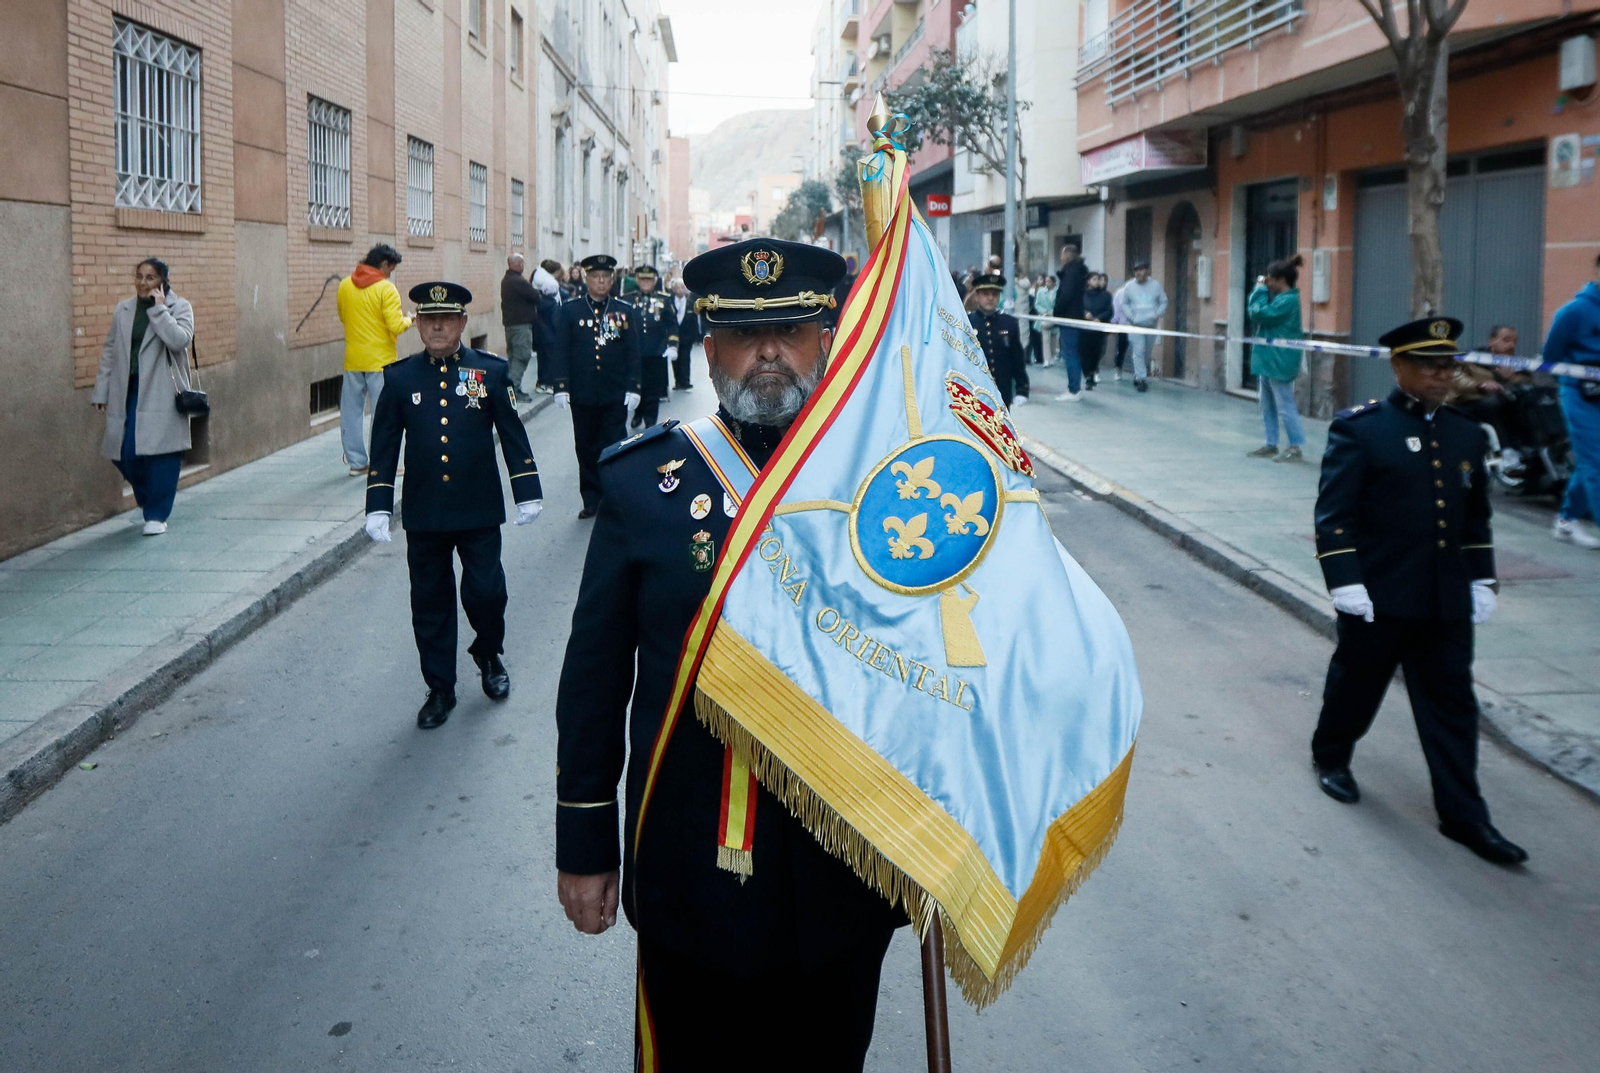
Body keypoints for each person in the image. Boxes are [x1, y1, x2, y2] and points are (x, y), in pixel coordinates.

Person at [554, 238, 903, 1070]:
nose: (771, 353)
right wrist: (585, 843)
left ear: (828, 338)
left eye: (791, 330)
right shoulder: (645, 485)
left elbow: (928, 667)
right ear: (709, 349)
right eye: (747, 336)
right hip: (690, 865)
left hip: (844, 864)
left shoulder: (878, 487)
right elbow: (595, 681)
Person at [1310, 316, 1525, 866]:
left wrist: (1482, 577)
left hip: (1445, 599)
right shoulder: (1360, 429)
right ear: (1399, 366)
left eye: (1448, 365)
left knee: (1454, 705)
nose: (1440, 375)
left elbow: (1475, 517)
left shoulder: (1466, 433)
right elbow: (1335, 517)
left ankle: (1464, 816)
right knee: (1357, 685)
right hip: (1379, 596)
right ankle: (1331, 756)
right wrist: (1346, 581)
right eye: (1428, 365)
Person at [363, 282, 544, 729]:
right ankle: (440, 687)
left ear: (463, 323)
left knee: (487, 591)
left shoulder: (490, 372)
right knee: (430, 600)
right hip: (425, 513)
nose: (438, 326)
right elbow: (384, 444)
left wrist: (527, 489)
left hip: (478, 508)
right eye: (428, 319)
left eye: (446, 319)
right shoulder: (400, 378)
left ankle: (488, 651)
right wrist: (378, 504)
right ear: (418, 326)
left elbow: (512, 432)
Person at [91, 257, 195, 536]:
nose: (142, 282)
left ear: (164, 281)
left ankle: (157, 515)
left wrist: (160, 311)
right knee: (124, 453)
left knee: (162, 453)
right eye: (139, 276)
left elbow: (179, 340)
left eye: (150, 277)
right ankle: (148, 501)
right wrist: (102, 390)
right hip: (127, 389)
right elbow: (111, 351)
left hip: (161, 391)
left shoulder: (179, 307)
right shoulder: (124, 309)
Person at [545, 254, 642, 518]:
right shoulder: (570, 311)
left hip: (614, 391)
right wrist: (561, 386)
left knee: (614, 445)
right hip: (583, 392)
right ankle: (591, 498)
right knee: (586, 446)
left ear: (612, 280)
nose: (601, 281)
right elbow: (561, 350)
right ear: (586, 279)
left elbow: (633, 352)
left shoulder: (623, 311)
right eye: (596, 277)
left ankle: (614, 496)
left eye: (606, 277)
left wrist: (634, 387)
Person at [335, 243, 412, 475]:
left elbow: (343, 316)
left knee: (351, 413)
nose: (390, 274)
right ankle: (382, 465)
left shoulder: (345, 285)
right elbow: (396, 325)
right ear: (384, 264)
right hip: (381, 362)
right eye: (391, 268)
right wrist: (411, 319)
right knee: (383, 415)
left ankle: (357, 463)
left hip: (353, 359)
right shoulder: (385, 289)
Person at [1546, 253, 1600, 548]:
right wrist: (1573, 385)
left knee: (1592, 460)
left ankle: (1566, 520)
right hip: (1580, 393)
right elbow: (1551, 357)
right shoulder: (1575, 311)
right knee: (1596, 463)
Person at [1245, 255, 1308, 462]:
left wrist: (1259, 290)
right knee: (1267, 403)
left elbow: (1259, 314)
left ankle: (1295, 446)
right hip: (1268, 358)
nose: (1267, 282)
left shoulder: (1287, 301)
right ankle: (1271, 443)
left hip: (1279, 360)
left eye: (1270, 278)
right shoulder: (1280, 299)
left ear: (1281, 280)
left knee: (1285, 404)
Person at [1448, 325, 1527, 476]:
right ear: (1492, 340)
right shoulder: (1472, 358)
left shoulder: (1516, 364)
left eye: (1514, 341)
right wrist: (1479, 385)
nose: (1511, 345)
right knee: (1492, 405)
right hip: (1465, 401)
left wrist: (1511, 378)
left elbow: (1528, 382)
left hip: (1498, 402)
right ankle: (1506, 451)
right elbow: (1457, 379)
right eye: (1506, 340)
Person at [969, 272, 1030, 407]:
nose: (990, 298)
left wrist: (1022, 388)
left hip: (1001, 392)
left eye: (994, 294)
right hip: (974, 393)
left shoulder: (1009, 323)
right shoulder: (966, 323)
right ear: (977, 296)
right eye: (986, 294)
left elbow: (1017, 358)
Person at [630, 265, 679, 429]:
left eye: (649, 279)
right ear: (637, 280)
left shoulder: (664, 299)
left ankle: (650, 421)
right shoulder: (627, 299)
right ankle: (638, 412)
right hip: (633, 354)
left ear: (655, 280)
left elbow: (672, 325)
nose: (646, 282)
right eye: (642, 279)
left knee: (652, 390)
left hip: (656, 352)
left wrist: (672, 345)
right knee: (636, 387)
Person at [1119, 261, 1168, 393]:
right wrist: (1131, 317)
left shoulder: (1156, 286)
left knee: (1146, 352)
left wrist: (1158, 313)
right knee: (1138, 350)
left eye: (1142, 270)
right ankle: (1141, 379)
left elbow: (1163, 302)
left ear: (1148, 271)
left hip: (1150, 325)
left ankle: (1138, 373)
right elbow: (1124, 304)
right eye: (1136, 271)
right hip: (1135, 325)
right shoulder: (1129, 287)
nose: (1139, 273)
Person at [500, 254, 542, 403]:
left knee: (513, 357)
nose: (523, 266)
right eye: (522, 263)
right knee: (522, 356)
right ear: (517, 264)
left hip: (511, 325)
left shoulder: (507, 280)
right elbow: (535, 295)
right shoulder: (517, 281)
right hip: (520, 326)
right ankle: (514, 389)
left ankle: (508, 388)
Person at [1052, 242, 1089, 398]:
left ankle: (1074, 389)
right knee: (1072, 353)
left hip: (1069, 317)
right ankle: (1075, 387)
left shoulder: (1071, 273)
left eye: (1062, 255)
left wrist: (1057, 311)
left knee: (1070, 354)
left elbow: (1065, 295)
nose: (1060, 258)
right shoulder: (1078, 272)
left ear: (1066, 256)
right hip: (1075, 316)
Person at [1079, 272, 1113, 389]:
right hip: (1084, 329)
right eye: (1094, 279)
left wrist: (1100, 318)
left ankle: (1091, 375)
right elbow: (1077, 307)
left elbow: (1109, 311)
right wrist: (1084, 314)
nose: (1097, 281)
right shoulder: (1081, 294)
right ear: (1088, 281)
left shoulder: (1106, 295)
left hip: (1098, 329)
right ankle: (1087, 374)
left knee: (1096, 353)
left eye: (1099, 279)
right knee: (1084, 354)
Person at [669, 277, 699, 389]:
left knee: (685, 358)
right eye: (678, 287)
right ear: (674, 289)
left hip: (687, 336)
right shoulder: (669, 302)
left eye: (682, 287)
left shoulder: (691, 303)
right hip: (674, 336)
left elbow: (694, 321)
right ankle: (678, 381)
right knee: (675, 359)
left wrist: (695, 336)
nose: (680, 289)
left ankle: (686, 380)